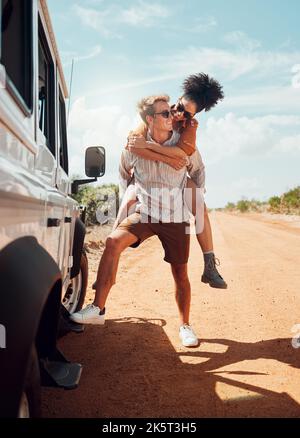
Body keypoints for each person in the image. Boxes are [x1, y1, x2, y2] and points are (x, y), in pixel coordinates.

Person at [71, 95, 206, 347]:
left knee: (180, 273)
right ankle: (98, 308)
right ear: (150, 119)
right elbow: (123, 172)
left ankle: (185, 325)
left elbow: (198, 170)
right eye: (165, 113)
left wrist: (195, 196)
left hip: (175, 217)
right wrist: (132, 191)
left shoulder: (184, 145)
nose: (172, 117)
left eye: (170, 112)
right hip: (145, 213)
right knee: (112, 242)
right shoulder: (133, 147)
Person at [117, 73, 227, 289]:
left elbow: (185, 158)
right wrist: (154, 152)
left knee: (200, 208)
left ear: (192, 117)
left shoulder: (189, 129)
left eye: (185, 113)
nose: (178, 114)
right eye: (178, 106)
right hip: (146, 177)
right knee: (126, 203)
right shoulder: (155, 117)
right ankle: (111, 256)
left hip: (178, 178)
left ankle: (209, 265)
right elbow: (134, 145)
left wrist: (198, 191)